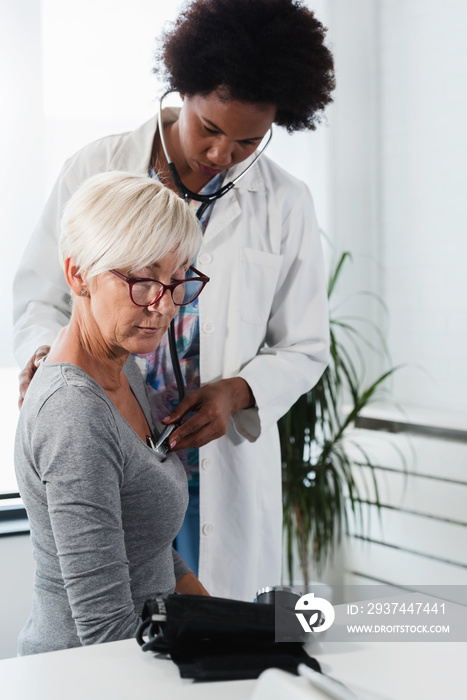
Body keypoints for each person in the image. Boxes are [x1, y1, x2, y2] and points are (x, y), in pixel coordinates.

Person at [13, 0, 335, 601]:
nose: (220, 155)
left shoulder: (285, 203)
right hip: (111, 441)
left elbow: (306, 344)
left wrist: (238, 392)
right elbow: (42, 292)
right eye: (209, 129)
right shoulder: (96, 167)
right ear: (180, 89)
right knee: (118, 628)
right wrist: (44, 359)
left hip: (217, 462)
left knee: (215, 639)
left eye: (247, 142)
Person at [15, 172, 209, 656]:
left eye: (176, 279)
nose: (163, 307)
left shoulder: (124, 370)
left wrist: (237, 625)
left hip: (145, 656)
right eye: (142, 281)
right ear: (78, 274)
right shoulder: (74, 414)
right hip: (93, 673)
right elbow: (105, 633)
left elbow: (148, 549)